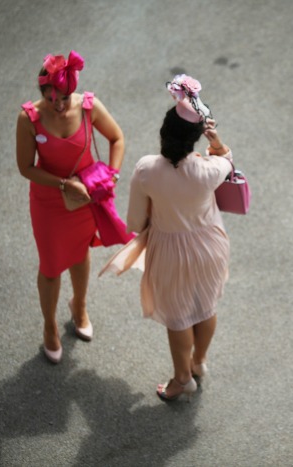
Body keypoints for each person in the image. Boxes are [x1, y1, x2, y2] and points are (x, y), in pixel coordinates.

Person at [102, 74, 233, 401]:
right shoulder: (207, 170)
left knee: (178, 317)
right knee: (206, 306)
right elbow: (226, 160)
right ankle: (199, 363)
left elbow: (134, 219)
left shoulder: (147, 169)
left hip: (169, 250)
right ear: (195, 138)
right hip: (209, 248)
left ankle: (182, 378)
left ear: (164, 132)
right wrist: (215, 141)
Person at [16, 50, 126, 364]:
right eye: (51, 99)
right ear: (42, 95)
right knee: (51, 268)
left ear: (72, 90)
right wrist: (64, 184)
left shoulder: (89, 106)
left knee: (80, 253)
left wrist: (113, 176)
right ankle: (49, 325)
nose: (59, 105)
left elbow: (117, 138)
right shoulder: (28, 119)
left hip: (85, 198)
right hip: (49, 201)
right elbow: (26, 167)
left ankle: (79, 306)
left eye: (63, 98)